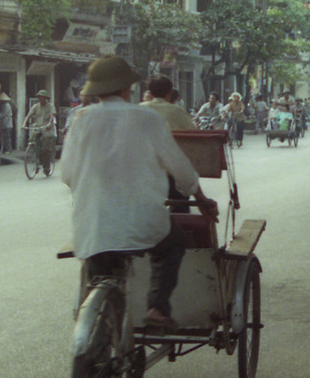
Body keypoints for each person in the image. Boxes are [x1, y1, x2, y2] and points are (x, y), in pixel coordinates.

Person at [61, 56, 218, 328]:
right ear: (125, 89)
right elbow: (179, 166)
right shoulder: (146, 118)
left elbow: (67, 175)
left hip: (93, 224)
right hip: (142, 221)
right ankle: (157, 307)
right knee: (174, 244)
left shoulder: (80, 119)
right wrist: (201, 199)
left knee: (98, 268)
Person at [24, 90, 57, 159]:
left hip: (47, 128)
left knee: (45, 146)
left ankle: (46, 165)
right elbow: (29, 115)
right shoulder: (35, 106)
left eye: (42, 97)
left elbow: (52, 115)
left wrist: (49, 123)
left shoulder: (50, 106)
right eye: (39, 97)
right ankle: (35, 156)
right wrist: (24, 124)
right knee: (32, 139)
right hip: (37, 127)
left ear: (46, 98)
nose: (40, 99)